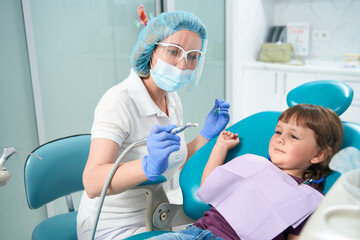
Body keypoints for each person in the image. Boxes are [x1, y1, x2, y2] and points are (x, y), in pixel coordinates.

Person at [76, 11, 231, 240]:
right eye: (173, 51)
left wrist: (204, 137)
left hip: (157, 218)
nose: (183, 63)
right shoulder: (119, 101)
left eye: (193, 56)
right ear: (150, 50)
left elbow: (173, 162)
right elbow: (92, 182)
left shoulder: (171, 97)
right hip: (111, 227)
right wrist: (147, 166)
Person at [148, 104, 344, 240]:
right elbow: (210, 184)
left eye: (293, 136)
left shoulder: (307, 200)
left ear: (318, 154)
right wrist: (221, 146)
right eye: (278, 131)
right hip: (194, 232)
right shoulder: (252, 165)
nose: (280, 139)